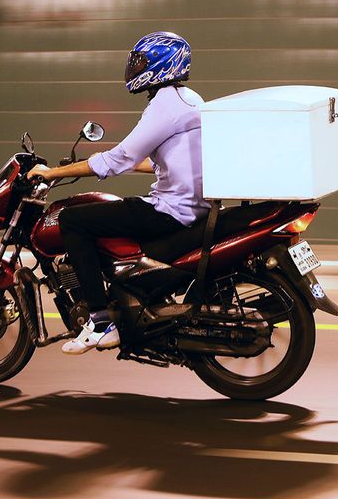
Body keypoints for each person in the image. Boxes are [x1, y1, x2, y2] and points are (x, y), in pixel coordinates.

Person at [27, 31, 209, 354]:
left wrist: (52, 172)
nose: (135, 68)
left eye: (141, 62)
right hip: (193, 205)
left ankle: (100, 322)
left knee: (72, 220)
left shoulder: (165, 105)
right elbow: (168, 161)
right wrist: (126, 165)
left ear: (162, 64)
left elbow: (118, 158)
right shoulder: (190, 98)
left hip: (170, 209)